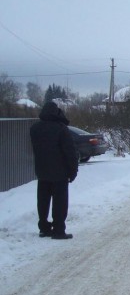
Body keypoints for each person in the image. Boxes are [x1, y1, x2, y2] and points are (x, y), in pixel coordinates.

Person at [30, 102, 79, 240]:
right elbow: (70, 152)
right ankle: (58, 229)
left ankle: (44, 228)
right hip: (60, 172)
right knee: (60, 202)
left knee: (43, 200)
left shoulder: (34, 129)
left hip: (42, 171)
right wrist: (73, 171)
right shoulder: (61, 129)